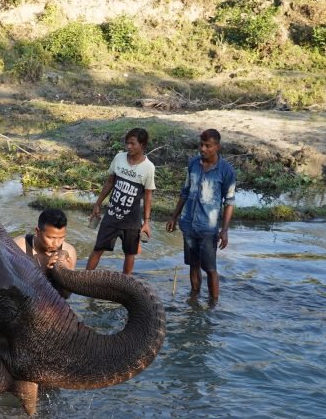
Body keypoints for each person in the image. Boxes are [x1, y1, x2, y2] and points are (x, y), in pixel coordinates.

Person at [166, 129, 236, 302]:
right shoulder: (193, 164)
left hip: (208, 228)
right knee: (193, 264)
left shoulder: (226, 171)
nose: (203, 149)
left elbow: (229, 202)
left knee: (210, 268)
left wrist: (225, 230)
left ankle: (213, 304)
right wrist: (174, 217)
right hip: (188, 224)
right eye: (201, 145)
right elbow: (185, 191)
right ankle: (194, 298)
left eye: (208, 146)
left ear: (217, 147)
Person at [87, 127, 155, 274]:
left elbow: (148, 195)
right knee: (98, 248)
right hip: (111, 216)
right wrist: (97, 204)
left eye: (132, 143)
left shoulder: (148, 168)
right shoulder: (119, 158)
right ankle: (84, 279)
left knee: (130, 254)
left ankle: (126, 283)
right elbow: (110, 182)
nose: (128, 147)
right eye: (127, 143)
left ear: (142, 145)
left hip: (131, 221)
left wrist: (147, 222)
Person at [14, 208, 78, 295]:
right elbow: (13, 287)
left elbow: (66, 295)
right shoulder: (19, 247)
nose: (56, 243)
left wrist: (67, 276)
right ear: (37, 231)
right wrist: (46, 272)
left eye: (61, 237)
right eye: (50, 237)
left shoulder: (69, 251)